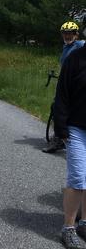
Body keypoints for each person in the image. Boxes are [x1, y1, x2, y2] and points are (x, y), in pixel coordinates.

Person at [54, 41, 86, 249]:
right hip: (76, 128)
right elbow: (62, 95)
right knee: (77, 179)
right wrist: (62, 130)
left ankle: (84, 223)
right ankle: (68, 227)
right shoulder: (75, 59)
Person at [43, 21, 85, 153]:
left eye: (70, 33)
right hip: (65, 82)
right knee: (56, 107)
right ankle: (60, 136)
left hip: (76, 86)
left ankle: (59, 139)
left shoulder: (80, 45)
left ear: (76, 34)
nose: (67, 36)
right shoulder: (66, 47)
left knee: (59, 107)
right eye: (65, 33)